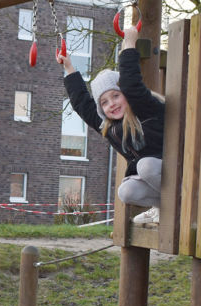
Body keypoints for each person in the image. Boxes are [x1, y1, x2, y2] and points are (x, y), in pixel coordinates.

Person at [59, 24, 165, 224]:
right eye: (104, 102)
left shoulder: (146, 108)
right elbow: (82, 104)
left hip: (172, 169)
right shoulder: (110, 127)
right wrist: (69, 68)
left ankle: (181, 201)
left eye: (116, 96)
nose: (112, 104)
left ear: (126, 94)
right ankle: (162, 207)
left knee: (145, 165)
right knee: (126, 191)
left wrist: (129, 43)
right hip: (156, 178)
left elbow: (131, 84)